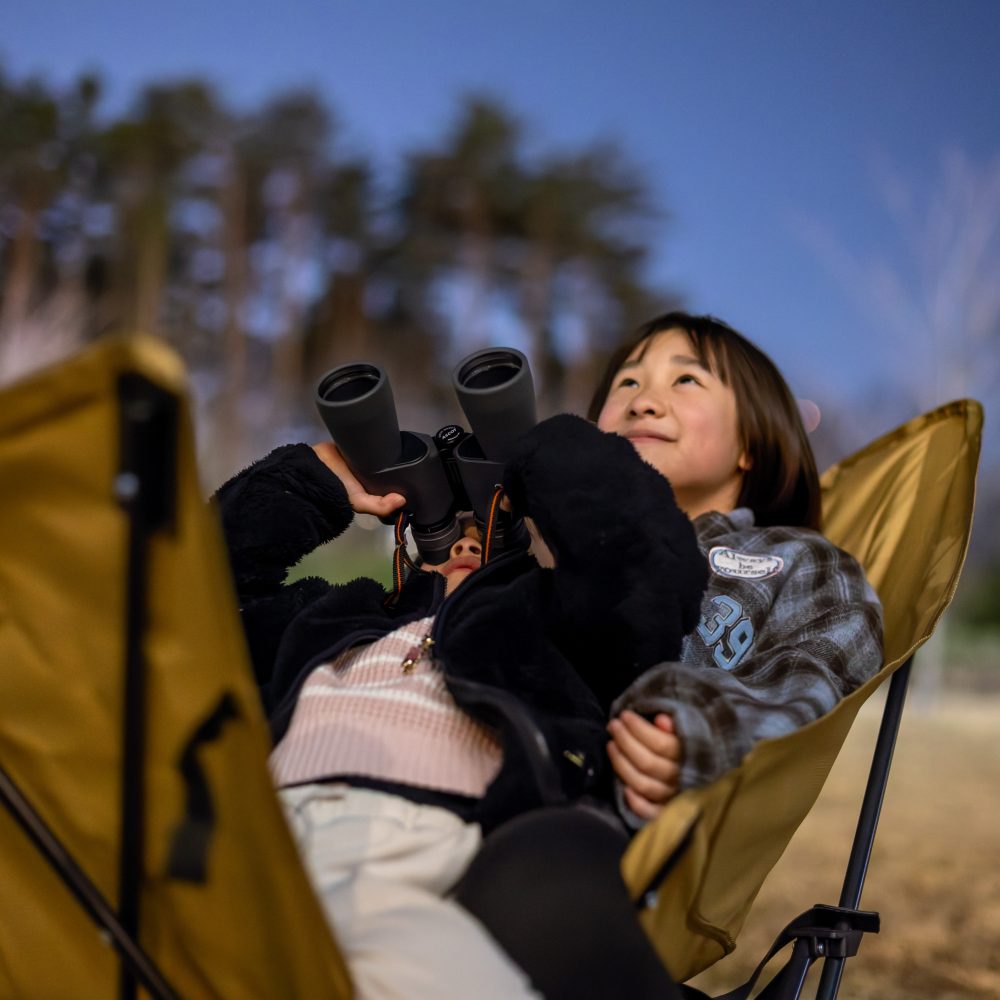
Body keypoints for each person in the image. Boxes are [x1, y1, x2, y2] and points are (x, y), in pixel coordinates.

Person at [452, 312, 883, 997]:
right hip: (465, 789)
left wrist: (699, 724)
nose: (644, 400)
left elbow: (814, 676)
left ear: (752, 445)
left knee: (529, 889)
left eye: (686, 380)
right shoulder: (544, 562)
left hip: (605, 835)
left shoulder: (793, 562)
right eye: (626, 383)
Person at [214, 404, 706, 998]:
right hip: (255, 834)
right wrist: (308, 483)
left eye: (488, 528)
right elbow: (197, 593)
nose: (466, 540)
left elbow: (646, 575)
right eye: (446, 530)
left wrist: (532, 452)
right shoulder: (332, 614)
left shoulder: (556, 635)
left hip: (432, 851)